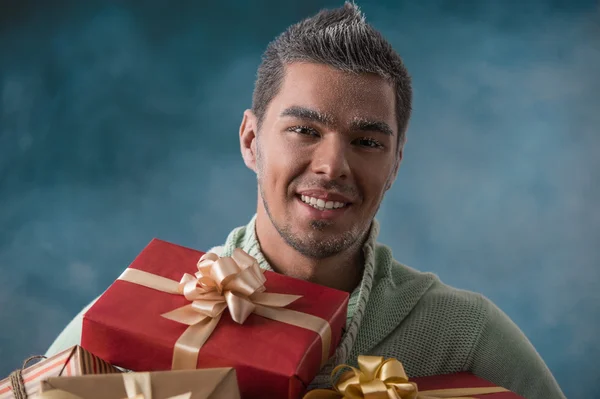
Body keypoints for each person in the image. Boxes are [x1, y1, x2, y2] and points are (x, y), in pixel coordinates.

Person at [46, 3, 565, 398]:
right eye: (303, 130)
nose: (332, 165)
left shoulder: (464, 335)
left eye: (367, 142)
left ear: (396, 163)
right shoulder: (137, 314)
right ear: (251, 141)